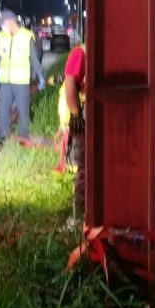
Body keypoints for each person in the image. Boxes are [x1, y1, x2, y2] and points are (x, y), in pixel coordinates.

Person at [0, 8, 44, 143]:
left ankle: (23, 135)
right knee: (4, 107)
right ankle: (3, 133)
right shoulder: (2, 36)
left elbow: (33, 58)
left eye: (3, 23)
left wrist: (40, 76)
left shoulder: (26, 36)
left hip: (21, 81)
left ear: (10, 22)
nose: (1, 26)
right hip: (6, 81)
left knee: (22, 108)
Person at [61, 43, 87, 220]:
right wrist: (76, 114)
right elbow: (71, 82)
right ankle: (81, 214)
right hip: (84, 112)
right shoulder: (81, 53)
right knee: (86, 165)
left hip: (89, 110)